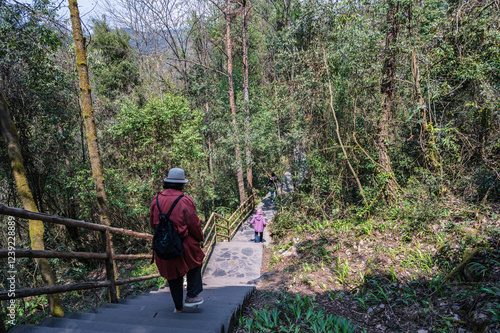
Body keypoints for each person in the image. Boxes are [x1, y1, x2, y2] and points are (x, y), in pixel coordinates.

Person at [150, 168, 205, 313]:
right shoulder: (184, 201)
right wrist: (200, 238)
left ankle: (178, 308)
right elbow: (194, 224)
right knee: (196, 260)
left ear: (167, 182)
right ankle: (192, 295)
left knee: (172, 273)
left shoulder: (156, 200)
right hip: (183, 242)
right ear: (182, 184)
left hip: (163, 244)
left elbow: (153, 224)